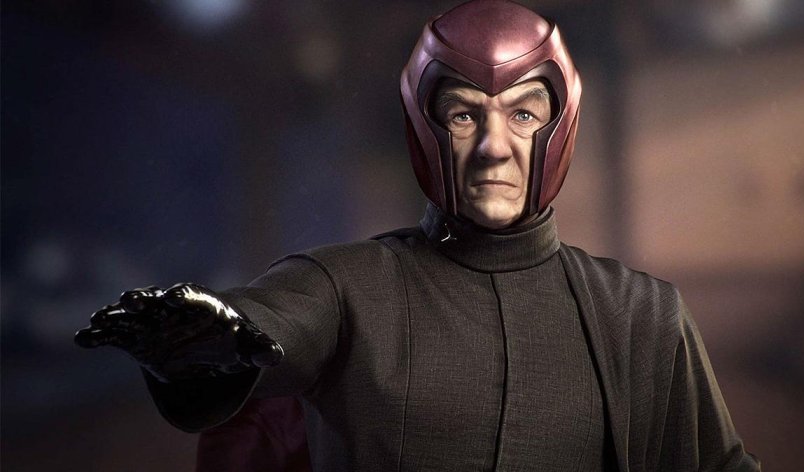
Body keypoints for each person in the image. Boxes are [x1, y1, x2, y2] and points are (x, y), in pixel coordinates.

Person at [76, 1, 761, 470]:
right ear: (424, 128)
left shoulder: (642, 314)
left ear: (560, 127)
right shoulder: (346, 288)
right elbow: (269, 325)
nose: (494, 147)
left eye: (523, 115)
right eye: (464, 115)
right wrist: (211, 342)